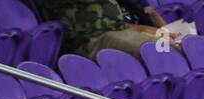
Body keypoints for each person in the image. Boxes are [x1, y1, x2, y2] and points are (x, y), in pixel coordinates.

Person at [33, 0, 182, 60]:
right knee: (160, 52)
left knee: (177, 48)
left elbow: (144, 9)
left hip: (120, 31)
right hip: (92, 40)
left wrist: (162, 31)